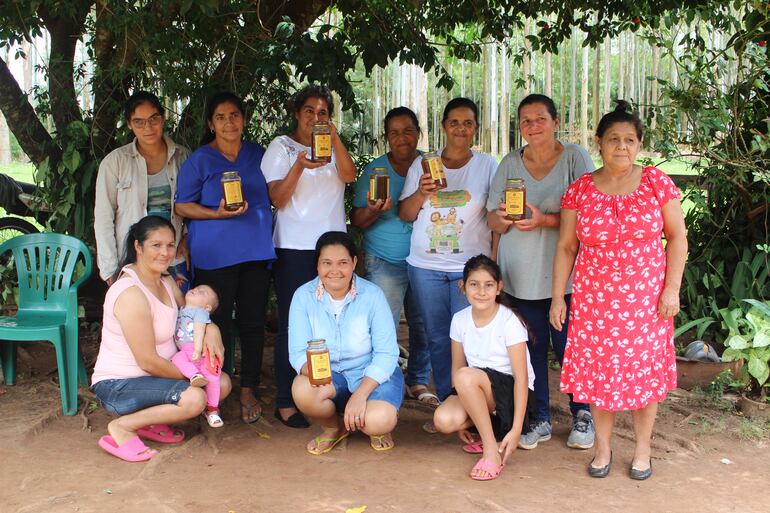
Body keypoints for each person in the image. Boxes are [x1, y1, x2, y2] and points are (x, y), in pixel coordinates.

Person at [549, 101, 687, 480]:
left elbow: (677, 238)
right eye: (613, 139)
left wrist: (671, 289)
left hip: (647, 301)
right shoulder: (579, 191)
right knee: (598, 375)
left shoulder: (657, 183)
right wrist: (559, 295)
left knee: (643, 375)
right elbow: (566, 247)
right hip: (595, 301)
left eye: (629, 139)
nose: (621, 146)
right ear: (599, 143)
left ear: (639, 144)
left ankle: (643, 450)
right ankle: (603, 448)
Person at [486, 94, 596, 450]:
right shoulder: (509, 163)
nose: (532, 127)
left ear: (555, 121)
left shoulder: (575, 158)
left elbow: (590, 214)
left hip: (566, 279)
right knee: (529, 352)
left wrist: (544, 220)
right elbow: (491, 219)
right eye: (526, 121)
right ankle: (540, 418)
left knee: (570, 349)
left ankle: (582, 414)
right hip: (519, 275)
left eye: (539, 119)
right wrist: (502, 218)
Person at [91, 216, 231, 462]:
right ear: (138, 246)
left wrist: (212, 330)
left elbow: (191, 311)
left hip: (156, 378)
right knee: (195, 397)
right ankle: (123, 427)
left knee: (223, 382)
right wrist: (193, 375)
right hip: (119, 385)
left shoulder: (165, 280)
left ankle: (150, 421)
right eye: (156, 245)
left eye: (169, 245)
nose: (165, 253)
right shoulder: (130, 293)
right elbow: (147, 361)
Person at [175, 92, 275, 424]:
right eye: (221, 117)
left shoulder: (259, 155)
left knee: (251, 323)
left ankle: (247, 389)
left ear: (244, 119)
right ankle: (213, 386)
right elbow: (181, 206)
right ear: (210, 124)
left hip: (255, 253)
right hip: (214, 255)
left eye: (234, 115)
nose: (229, 122)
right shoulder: (200, 160)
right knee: (212, 326)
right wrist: (215, 214)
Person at [262, 84, 357, 428]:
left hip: (332, 248)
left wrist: (334, 139)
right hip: (293, 246)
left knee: (332, 321)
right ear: (296, 113)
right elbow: (277, 198)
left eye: (323, 113)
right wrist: (300, 166)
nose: (315, 118)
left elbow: (349, 176)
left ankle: (328, 392)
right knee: (293, 323)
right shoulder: (282, 147)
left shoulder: (331, 146)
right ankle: (287, 400)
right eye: (309, 112)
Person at [398, 97, 497, 404]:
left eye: (468, 123)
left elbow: (495, 219)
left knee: (470, 339)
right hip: (425, 266)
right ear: (444, 127)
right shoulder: (424, 164)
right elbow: (405, 213)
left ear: (476, 128)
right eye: (454, 122)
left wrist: (493, 263)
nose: (460, 128)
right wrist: (421, 192)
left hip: (468, 269)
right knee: (438, 338)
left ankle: (476, 405)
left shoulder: (487, 166)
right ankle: (449, 402)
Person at [289, 231, 404, 454]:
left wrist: (360, 394)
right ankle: (334, 427)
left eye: (342, 262)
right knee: (302, 389)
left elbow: (387, 353)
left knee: (378, 421)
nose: (335, 271)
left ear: (354, 262)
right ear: (317, 266)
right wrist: (317, 377)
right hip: (330, 376)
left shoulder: (373, 295)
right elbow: (297, 352)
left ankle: (370, 419)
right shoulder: (303, 296)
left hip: (370, 374)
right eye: (327, 263)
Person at [350, 107, 434, 405]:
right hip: (384, 259)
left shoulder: (431, 165)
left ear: (418, 133)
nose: (402, 138)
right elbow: (357, 221)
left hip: (426, 259)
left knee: (423, 323)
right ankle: (385, 379)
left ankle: (419, 381)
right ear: (386, 137)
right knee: (382, 325)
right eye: (394, 132)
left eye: (408, 130)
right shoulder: (375, 170)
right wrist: (373, 209)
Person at [433, 255, 534, 481]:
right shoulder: (459, 320)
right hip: (477, 387)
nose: (481, 291)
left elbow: (522, 378)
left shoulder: (509, 321)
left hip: (512, 395)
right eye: (474, 284)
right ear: (462, 287)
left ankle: (491, 451)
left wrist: (517, 428)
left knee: (466, 376)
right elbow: (457, 368)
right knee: (444, 420)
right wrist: (462, 418)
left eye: (489, 285)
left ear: (499, 288)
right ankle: (485, 430)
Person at [94, 91, 190, 287]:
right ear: (129, 124)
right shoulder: (115, 163)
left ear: (163, 118)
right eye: (139, 121)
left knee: (181, 316)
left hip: (173, 259)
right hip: (132, 262)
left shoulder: (183, 157)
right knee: (138, 316)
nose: (148, 127)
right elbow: (103, 218)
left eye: (153, 119)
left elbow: (193, 206)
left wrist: (187, 238)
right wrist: (110, 270)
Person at [170, 284, 224, 428]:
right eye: (197, 288)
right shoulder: (181, 310)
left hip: (199, 351)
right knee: (176, 359)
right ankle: (195, 376)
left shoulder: (200, 312)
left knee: (213, 379)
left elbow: (199, 329)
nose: (196, 290)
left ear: (207, 307)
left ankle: (213, 409)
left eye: (203, 292)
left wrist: (198, 349)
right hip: (186, 352)